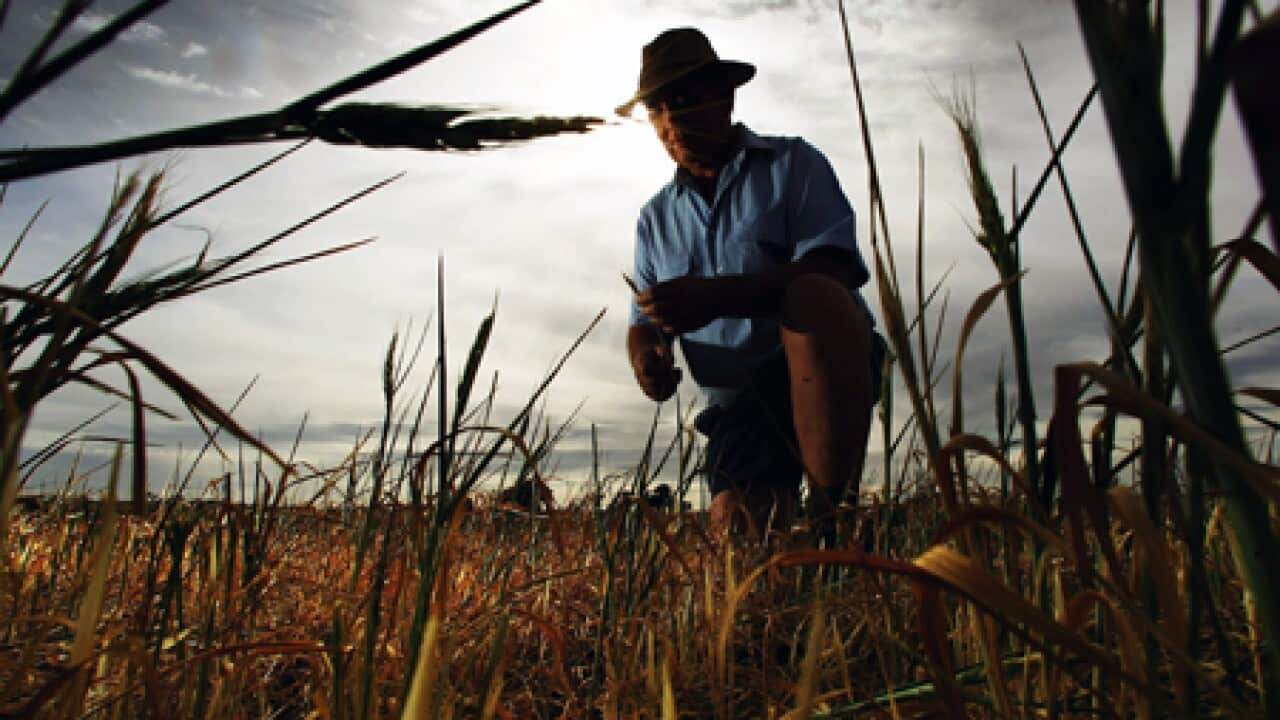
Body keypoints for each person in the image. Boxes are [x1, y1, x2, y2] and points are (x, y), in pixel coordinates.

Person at [618, 28, 883, 544]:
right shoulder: (655, 219)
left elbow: (834, 271)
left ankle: (835, 521)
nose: (670, 122)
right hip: (738, 403)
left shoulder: (792, 165)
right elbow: (644, 321)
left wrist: (715, 297)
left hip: (825, 366)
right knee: (742, 550)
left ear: (724, 98)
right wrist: (647, 355)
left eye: (685, 101)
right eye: (657, 110)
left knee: (814, 297)